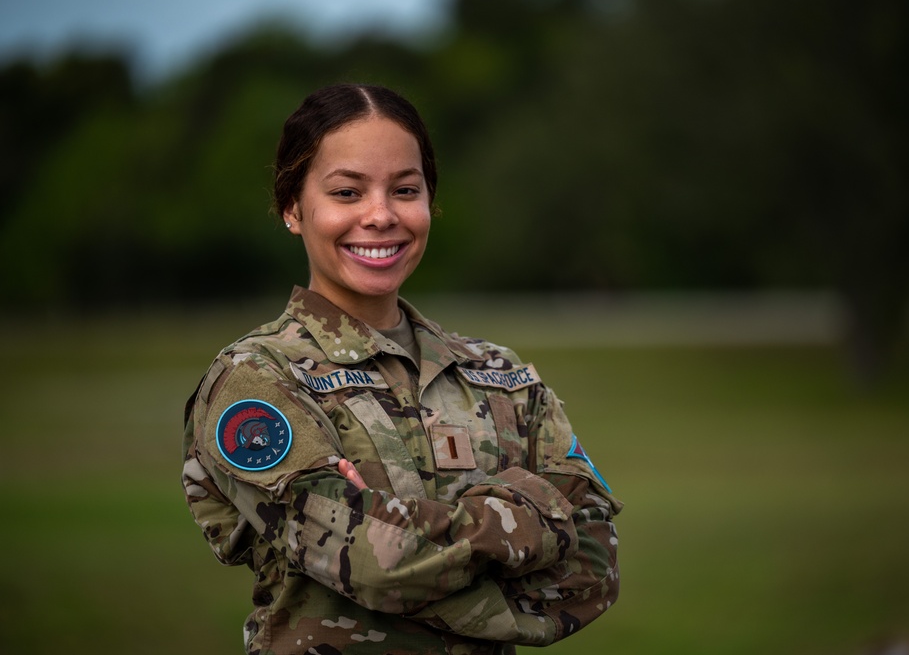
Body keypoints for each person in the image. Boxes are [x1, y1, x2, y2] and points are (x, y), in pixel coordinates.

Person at [181, 83, 622, 655]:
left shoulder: (501, 374)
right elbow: (374, 562)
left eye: (405, 190)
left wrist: (404, 533)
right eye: (347, 192)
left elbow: (595, 565)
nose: (381, 215)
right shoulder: (257, 380)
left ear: (429, 202)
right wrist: (525, 516)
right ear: (293, 208)